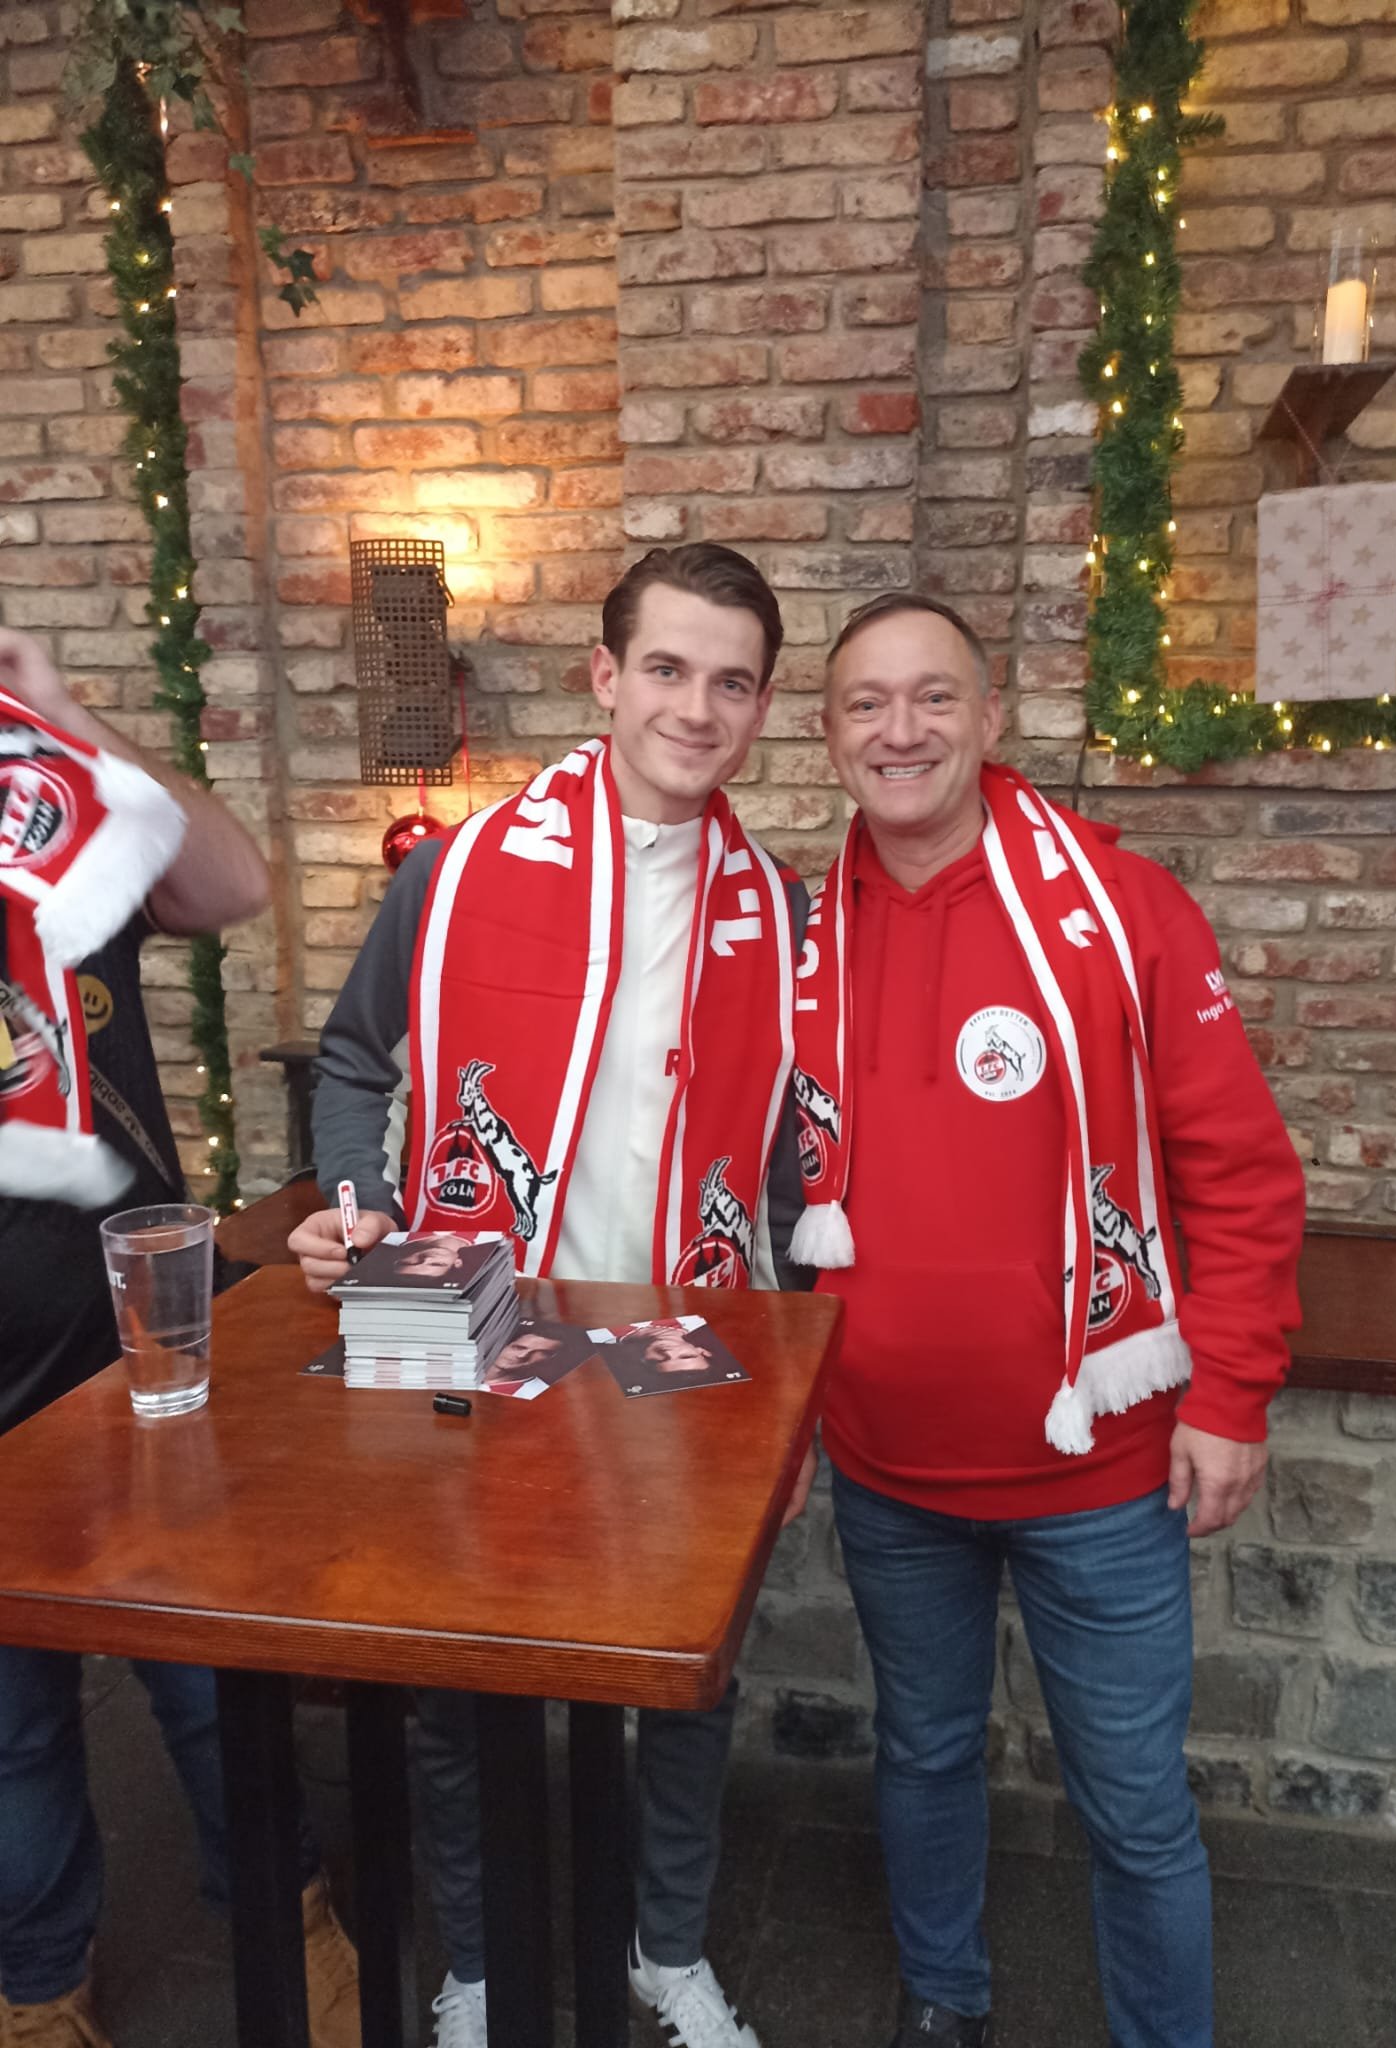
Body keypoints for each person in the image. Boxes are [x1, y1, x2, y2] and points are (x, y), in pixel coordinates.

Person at [289, 543, 817, 2048]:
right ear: (605, 675)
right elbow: (354, 1060)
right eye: (667, 668)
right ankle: (477, 1966)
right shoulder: (456, 870)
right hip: (480, 1328)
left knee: (689, 1680)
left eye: (731, 682)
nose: (695, 708)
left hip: (686, 1338)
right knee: (460, 1686)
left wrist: (801, 1380)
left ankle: (666, 1949)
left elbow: (796, 1170)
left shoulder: (780, 911)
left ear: (761, 707)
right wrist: (361, 1208)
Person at [788, 595, 1306, 2048]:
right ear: (828, 734)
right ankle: (943, 2000)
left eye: (932, 697)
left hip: (1103, 1470)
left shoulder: (1122, 907)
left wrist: (1230, 1396)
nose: (900, 731)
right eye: (866, 703)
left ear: (990, 715)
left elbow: (1239, 1170)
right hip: (886, 1463)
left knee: (1132, 1805)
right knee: (924, 1752)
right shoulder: (799, 933)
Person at [0, 631, 362, 2048]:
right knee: (12, 1725)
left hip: (129, 1349)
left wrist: (67, 715)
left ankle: (286, 1913)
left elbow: (230, 885)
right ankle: (40, 1985)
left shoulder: (38, 817)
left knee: (212, 1677)